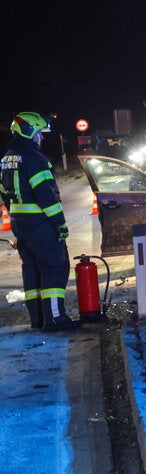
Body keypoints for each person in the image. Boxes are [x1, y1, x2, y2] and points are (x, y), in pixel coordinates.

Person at [0, 112, 81, 332]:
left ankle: (38, 320)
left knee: (33, 272)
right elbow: (47, 196)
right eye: (38, 133)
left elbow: (5, 196)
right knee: (55, 268)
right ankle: (55, 319)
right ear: (29, 132)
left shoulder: (7, 158)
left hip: (21, 225)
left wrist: (17, 218)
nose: (41, 139)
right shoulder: (35, 159)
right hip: (40, 224)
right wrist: (60, 225)